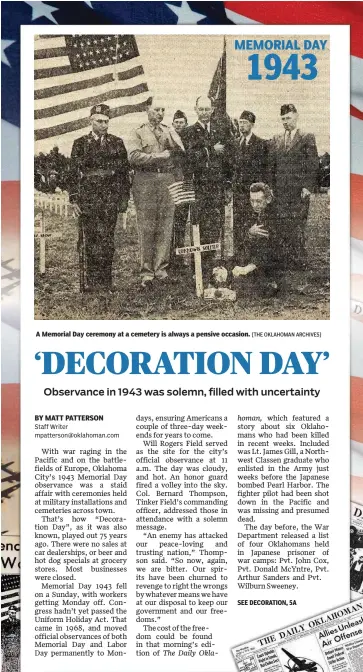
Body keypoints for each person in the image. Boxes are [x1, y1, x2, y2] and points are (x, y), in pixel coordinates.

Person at [68, 104, 130, 293]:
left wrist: (123, 198)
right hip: (89, 197)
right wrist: (74, 199)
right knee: (91, 238)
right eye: (100, 121)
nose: (104, 125)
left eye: (106, 122)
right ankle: (92, 281)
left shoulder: (117, 142)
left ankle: (106, 281)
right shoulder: (80, 143)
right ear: (91, 121)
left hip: (110, 197)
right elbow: (72, 173)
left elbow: (123, 172)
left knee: (107, 239)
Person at [128, 97, 184, 288]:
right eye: (157, 110)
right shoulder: (138, 132)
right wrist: (158, 156)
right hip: (145, 180)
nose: (160, 113)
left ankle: (161, 269)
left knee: (165, 224)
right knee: (146, 225)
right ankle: (146, 272)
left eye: (163, 110)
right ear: (147, 110)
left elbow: (179, 153)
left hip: (167, 180)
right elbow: (134, 156)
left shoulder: (169, 131)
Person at [181, 95, 234, 285]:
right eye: (200, 109)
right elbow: (188, 156)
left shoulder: (221, 130)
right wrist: (210, 149)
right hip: (198, 187)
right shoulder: (188, 132)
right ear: (195, 110)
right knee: (199, 227)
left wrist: (228, 184)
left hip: (217, 187)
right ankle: (198, 267)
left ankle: (212, 265)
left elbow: (228, 158)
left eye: (207, 109)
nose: (204, 112)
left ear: (212, 110)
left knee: (215, 227)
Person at [268, 104, 319, 269]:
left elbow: (313, 164)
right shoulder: (276, 139)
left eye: (288, 118)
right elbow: (272, 166)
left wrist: (307, 186)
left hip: (299, 191)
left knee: (297, 224)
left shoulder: (306, 137)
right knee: (282, 224)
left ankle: (299, 260)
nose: (285, 122)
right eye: (282, 119)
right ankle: (284, 259)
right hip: (281, 191)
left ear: (296, 116)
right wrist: (271, 188)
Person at [232, 182, 281, 293]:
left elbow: (272, 248)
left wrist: (248, 267)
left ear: (268, 200)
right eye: (252, 201)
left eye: (259, 201)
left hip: (270, 263)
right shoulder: (248, 213)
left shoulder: (274, 216)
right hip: (253, 259)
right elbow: (240, 240)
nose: (254, 205)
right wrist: (249, 233)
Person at [233, 110, 268, 262]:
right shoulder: (235, 143)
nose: (242, 126)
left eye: (245, 123)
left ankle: (252, 257)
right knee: (238, 223)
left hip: (252, 193)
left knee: (252, 221)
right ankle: (238, 254)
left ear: (252, 125)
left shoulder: (260, 144)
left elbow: (263, 169)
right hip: (238, 193)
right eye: (240, 122)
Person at [171, 110, 190, 272]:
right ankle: (172, 257)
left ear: (186, 124)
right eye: (176, 122)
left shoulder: (189, 139)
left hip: (187, 183)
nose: (179, 125)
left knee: (183, 222)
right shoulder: (169, 139)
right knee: (174, 222)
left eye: (181, 122)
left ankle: (182, 257)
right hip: (174, 184)